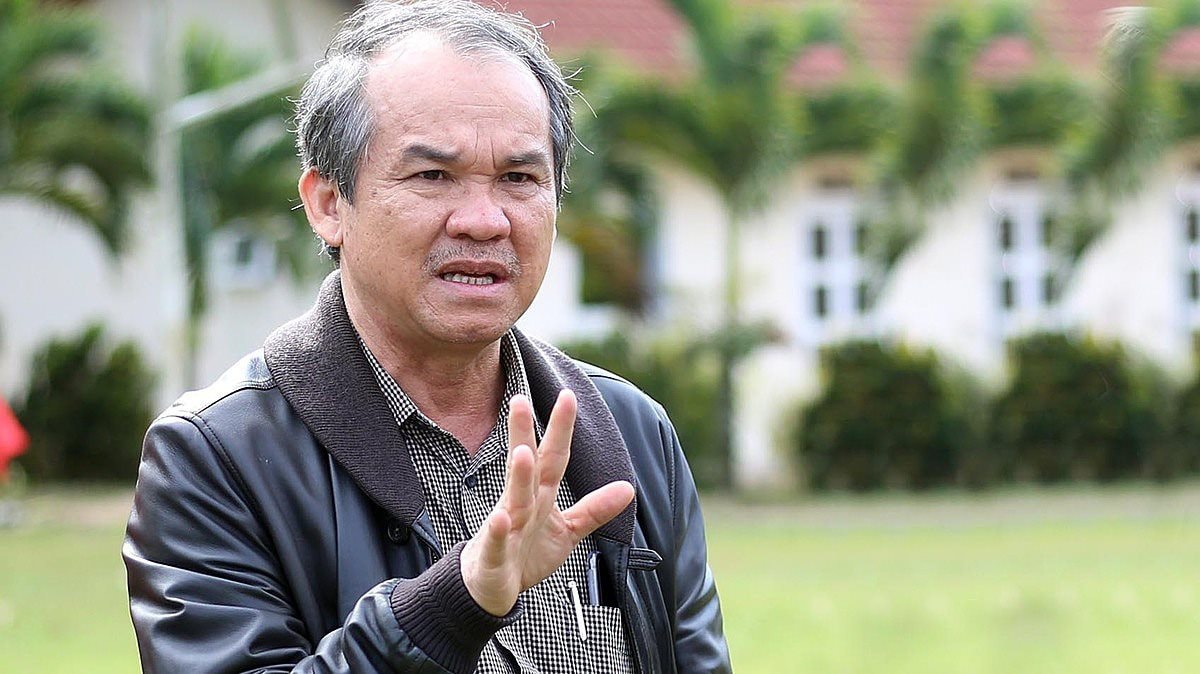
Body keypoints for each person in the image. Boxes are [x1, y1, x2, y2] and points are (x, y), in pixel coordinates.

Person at [123, 1, 730, 672]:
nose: (484, 220)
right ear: (328, 204)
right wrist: (452, 605)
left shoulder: (632, 432)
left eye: (519, 178)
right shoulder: (215, 456)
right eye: (433, 176)